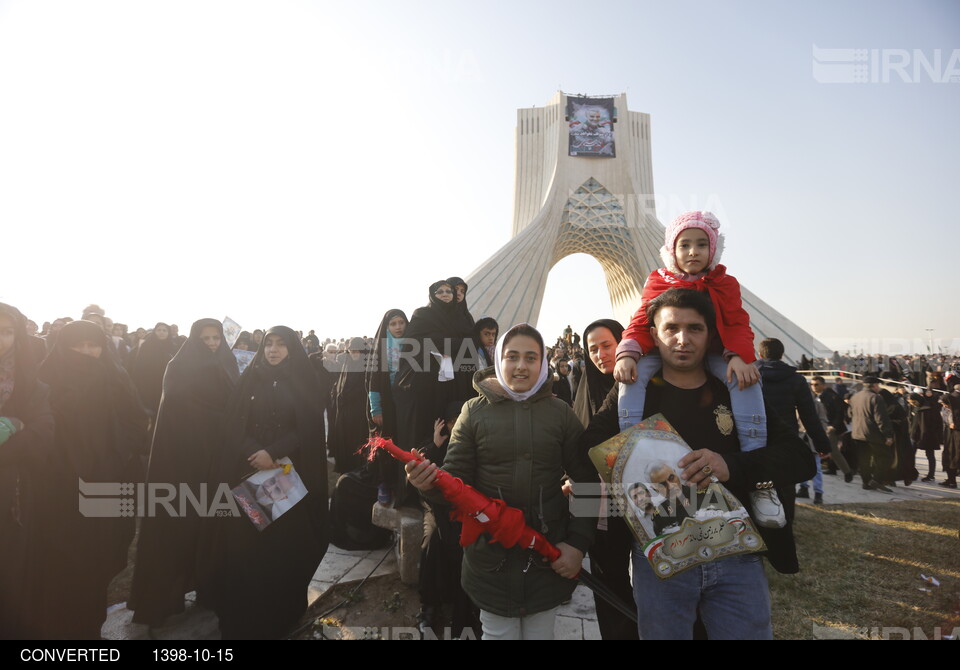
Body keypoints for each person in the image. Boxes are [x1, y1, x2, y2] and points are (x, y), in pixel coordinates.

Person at [579, 288, 815, 640]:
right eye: (670, 328)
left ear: (711, 334)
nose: (682, 339)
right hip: (661, 560)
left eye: (695, 328)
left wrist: (730, 464)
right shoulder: (632, 395)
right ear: (653, 336)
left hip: (736, 556)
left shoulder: (737, 390)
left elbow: (799, 458)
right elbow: (586, 448)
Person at [405, 324, 596, 640]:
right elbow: (455, 483)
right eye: (513, 356)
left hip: (547, 558)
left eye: (531, 358)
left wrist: (577, 544)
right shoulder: (474, 412)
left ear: (542, 363)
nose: (521, 366)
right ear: (498, 361)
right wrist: (426, 483)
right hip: (490, 560)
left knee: (541, 633)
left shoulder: (560, 413)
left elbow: (587, 480)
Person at [204, 326, 328, 639]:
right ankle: (246, 612)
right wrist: (254, 453)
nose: (273, 350)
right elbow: (233, 422)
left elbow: (308, 427)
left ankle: (281, 612)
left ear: (292, 350)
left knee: (283, 546)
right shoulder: (250, 379)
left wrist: (273, 453)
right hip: (248, 471)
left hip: (286, 476)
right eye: (268, 344)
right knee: (247, 547)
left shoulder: (304, 380)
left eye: (281, 345)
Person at [37, 320, 149, 639]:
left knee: (101, 556)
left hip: (108, 482)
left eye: (93, 344)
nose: (87, 351)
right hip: (60, 486)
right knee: (63, 560)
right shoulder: (47, 379)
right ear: (63, 346)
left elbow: (136, 420)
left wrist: (117, 457)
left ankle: (88, 627)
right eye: (79, 344)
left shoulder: (116, 376)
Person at [128, 319, 240, 626]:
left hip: (217, 463)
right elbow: (178, 412)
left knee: (215, 530)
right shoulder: (179, 367)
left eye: (217, 337)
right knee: (178, 529)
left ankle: (211, 591)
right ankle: (163, 601)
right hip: (182, 464)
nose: (213, 343)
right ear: (193, 339)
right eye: (205, 338)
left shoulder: (228, 363)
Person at [571, 318, 636, 640]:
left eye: (607, 346)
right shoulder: (583, 389)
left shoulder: (642, 385)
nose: (600, 355)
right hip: (597, 502)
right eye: (592, 349)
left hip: (642, 498)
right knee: (607, 578)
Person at [0, 303, 54, 639]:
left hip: (10, 495)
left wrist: (13, 427)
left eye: (7, 332)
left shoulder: (31, 383)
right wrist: (19, 425)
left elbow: (45, 431)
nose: (0, 339)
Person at [756, 339, 830, 506]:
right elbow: (809, 417)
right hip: (786, 438)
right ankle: (787, 523)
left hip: (755, 439)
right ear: (782, 355)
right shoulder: (796, 380)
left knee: (757, 484)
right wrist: (822, 445)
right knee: (785, 486)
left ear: (760, 354)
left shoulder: (750, 375)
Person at [393, 280, 462, 451]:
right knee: (423, 431)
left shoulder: (458, 317)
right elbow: (415, 343)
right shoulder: (422, 315)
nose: (445, 294)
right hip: (423, 383)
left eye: (449, 291)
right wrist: (450, 344)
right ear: (432, 295)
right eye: (440, 292)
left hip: (449, 383)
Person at [366, 309, 409, 504]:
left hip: (406, 403)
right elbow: (373, 381)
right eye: (393, 324)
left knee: (405, 442)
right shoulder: (381, 349)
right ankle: (385, 483)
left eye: (401, 322)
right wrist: (376, 408)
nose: (398, 327)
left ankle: (403, 484)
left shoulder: (412, 345)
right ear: (387, 327)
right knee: (386, 443)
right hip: (387, 404)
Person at [849, 377, 895, 492]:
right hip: (872, 434)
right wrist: (887, 435)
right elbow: (881, 418)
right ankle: (876, 480)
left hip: (857, 432)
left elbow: (850, 414)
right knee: (885, 457)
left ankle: (866, 482)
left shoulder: (855, 397)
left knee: (864, 459)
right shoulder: (876, 398)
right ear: (874, 385)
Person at [132, 322, 177, 416]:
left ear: (168, 333)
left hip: (166, 383)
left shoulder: (173, 347)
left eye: (164, 330)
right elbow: (139, 367)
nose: (161, 332)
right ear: (154, 332)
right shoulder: (146, 346)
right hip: (148, 384)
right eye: (159, 330)